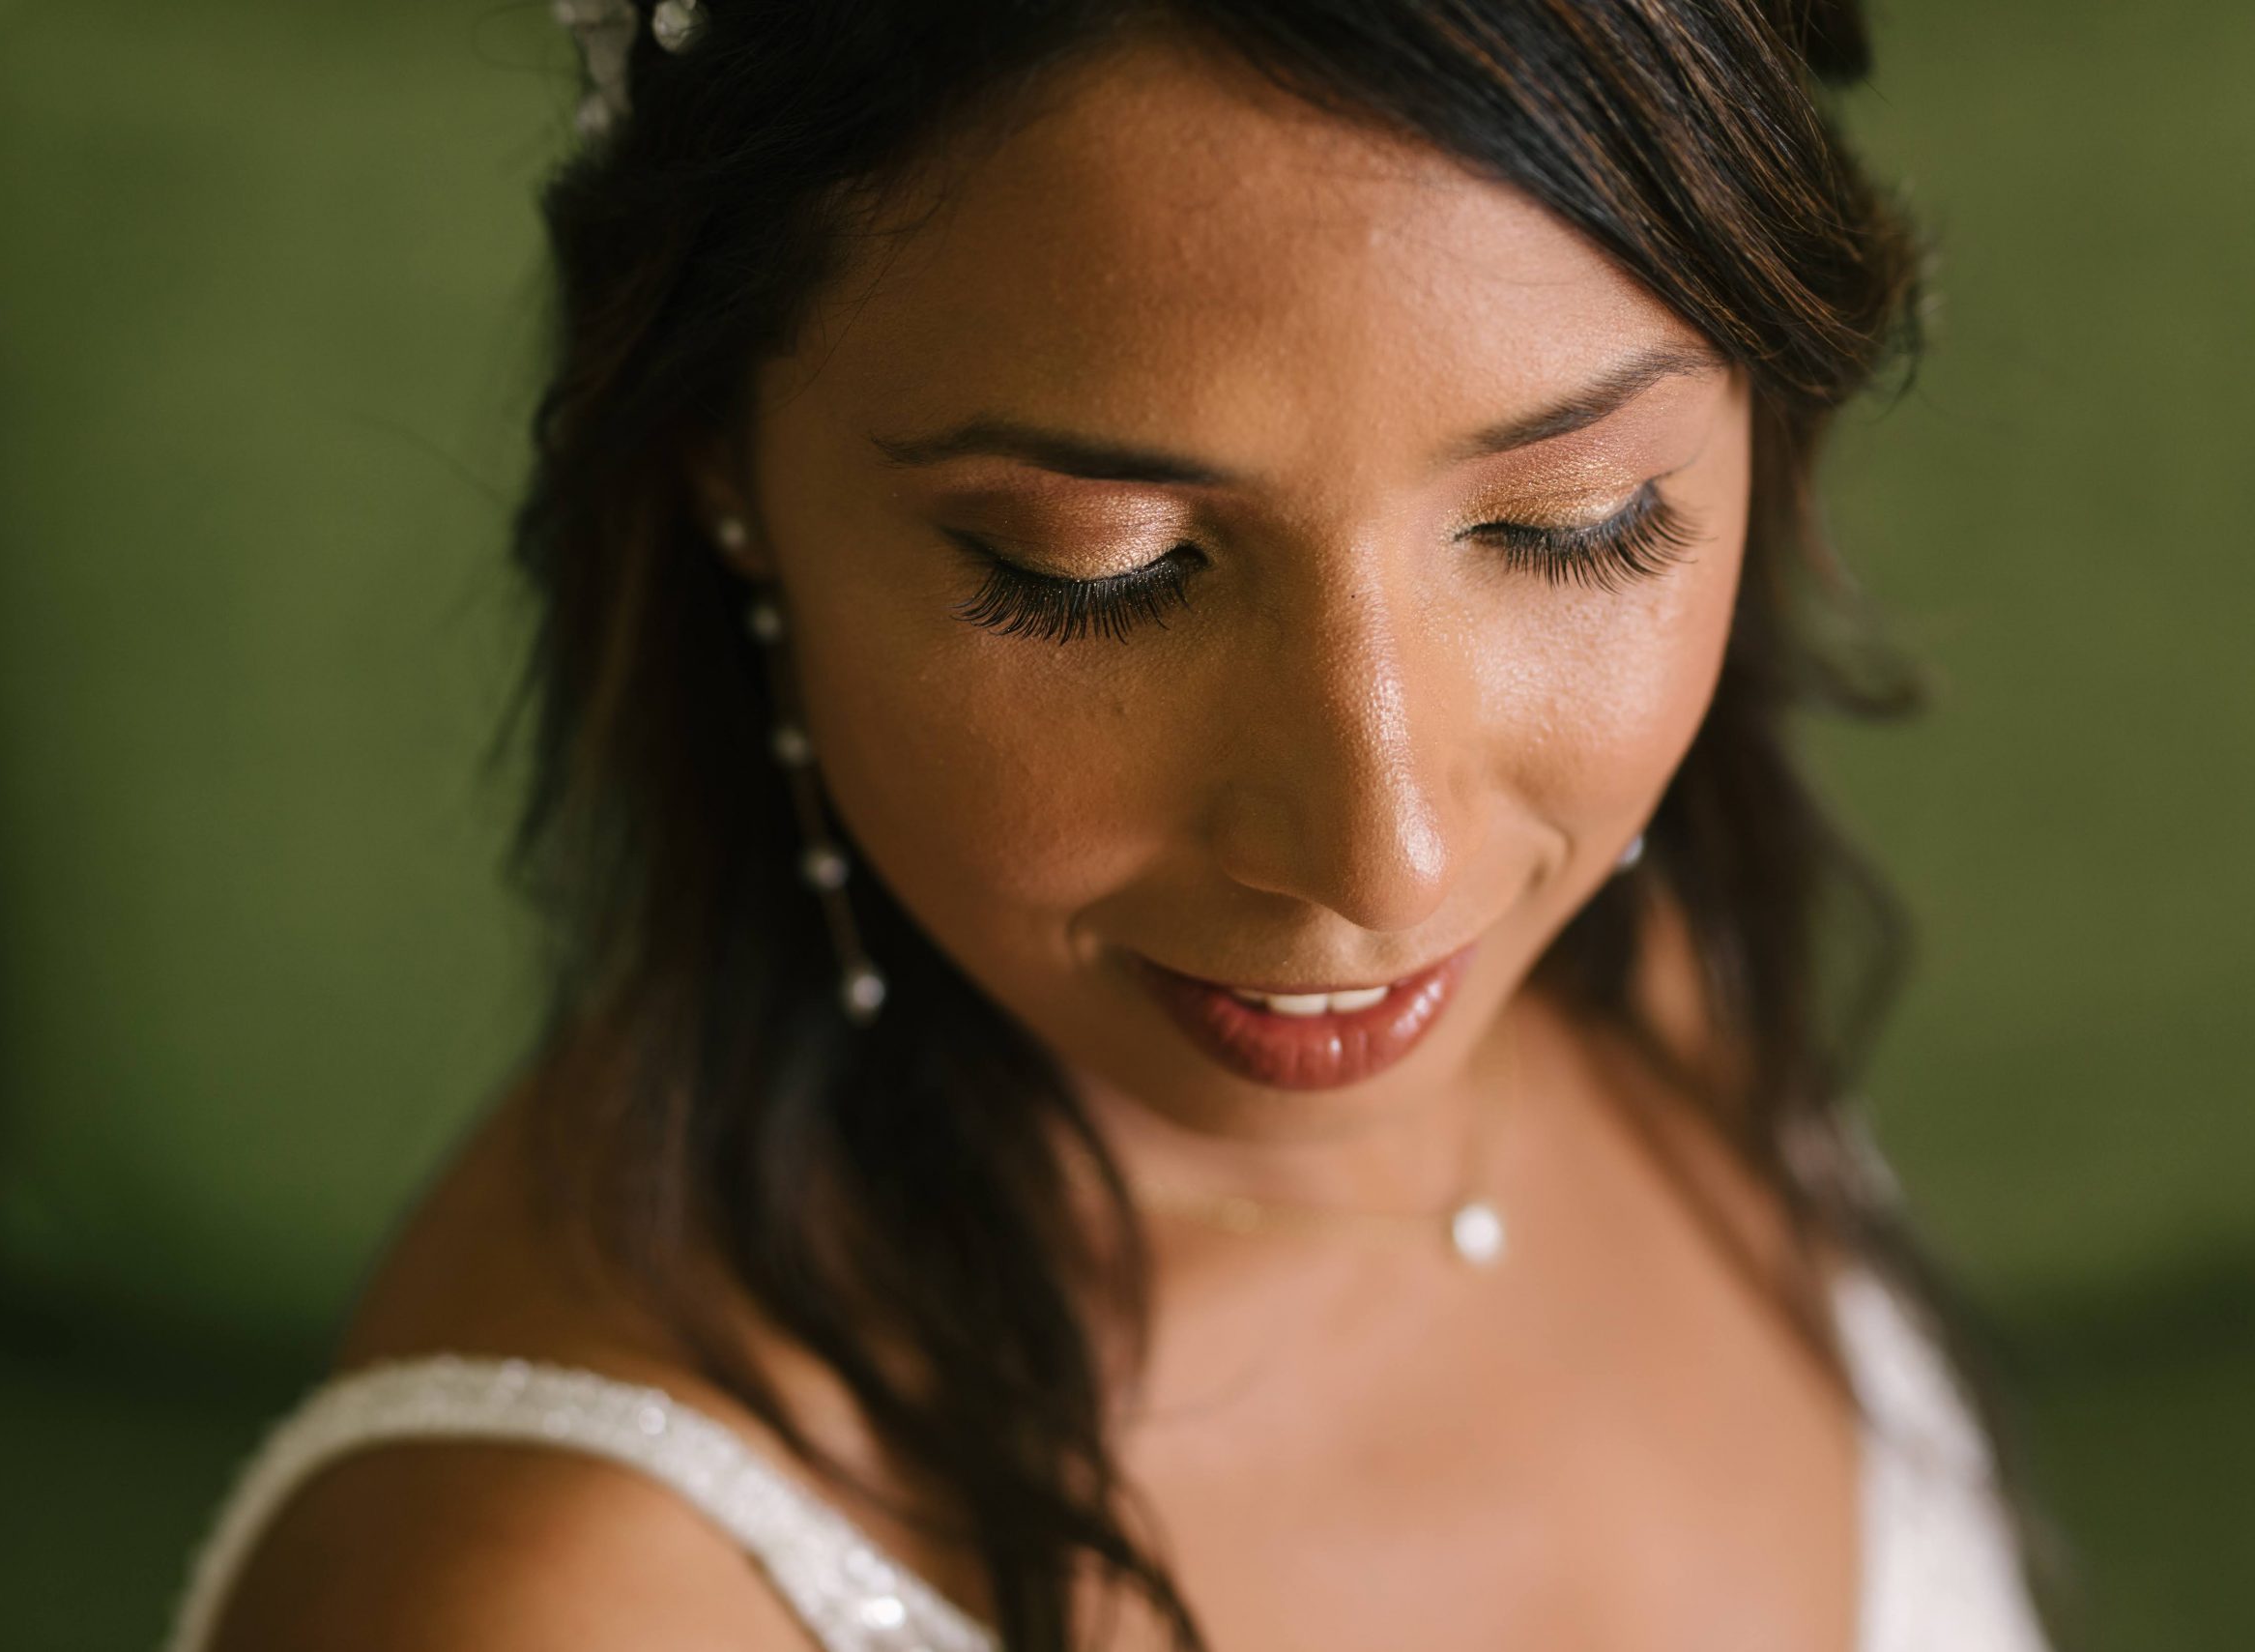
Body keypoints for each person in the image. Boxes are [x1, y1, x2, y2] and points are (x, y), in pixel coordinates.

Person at [166, 2, 2066, 1647]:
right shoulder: (572, 1599)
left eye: (1574, 524)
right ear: (717, 463)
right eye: (1100, 569)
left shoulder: (1645, 978)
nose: (1388, 867)